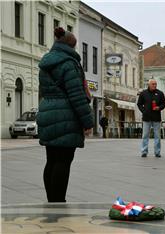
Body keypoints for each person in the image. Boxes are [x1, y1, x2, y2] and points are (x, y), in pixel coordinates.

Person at [36, 27, 94, 202]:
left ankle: (51, 200)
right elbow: (76, 95)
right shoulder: (69, 63)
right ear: (72, 46)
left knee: (51, 160)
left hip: (47, 111)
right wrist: (87, 122)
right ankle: (58, 201)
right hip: (66, 116)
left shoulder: (46, 63)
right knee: (63, 161)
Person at [137, 79, 165, 158]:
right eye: (153, 84)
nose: (154, 85)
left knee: (157, 136)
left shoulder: (160, 93)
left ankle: (157, 152)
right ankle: (144, 151)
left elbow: (164, 104)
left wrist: (159, 107)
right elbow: (139, 104)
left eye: (155, 84)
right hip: (146, 118)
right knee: (145, 135)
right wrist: (144, 111)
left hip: (156, 118)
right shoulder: (143, 93)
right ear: (149, 85)